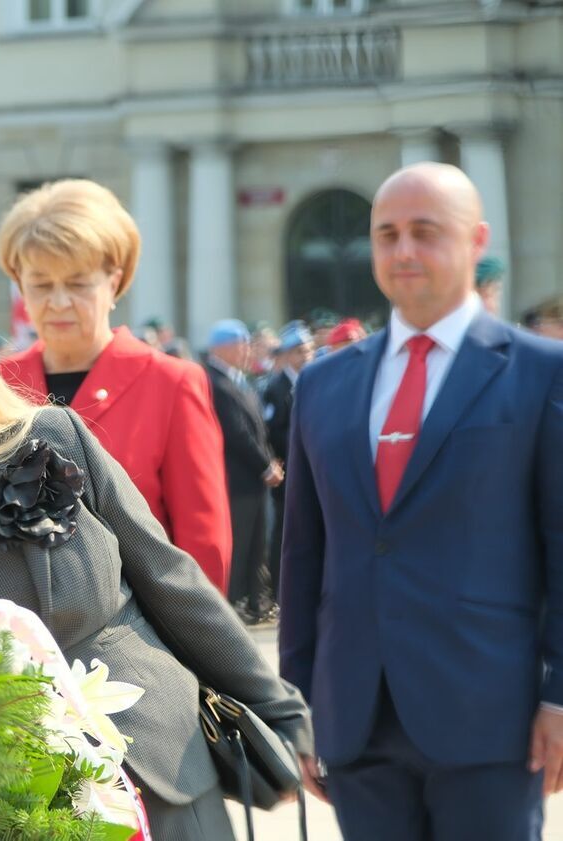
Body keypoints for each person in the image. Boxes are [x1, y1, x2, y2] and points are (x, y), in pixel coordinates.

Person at [0, 269, 311, 839]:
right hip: (3, 813)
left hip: (162, 773)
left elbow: (170, 580)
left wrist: (279, 712)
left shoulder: (55, 439)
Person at [279, 162, 563, 841]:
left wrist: (559, 693)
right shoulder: (322, 384)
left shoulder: (540, 372)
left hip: (492, 718)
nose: (403, 250)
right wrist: (294, 703)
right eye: (387, 233)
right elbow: (302, 555)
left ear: (475, 240)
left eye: (425, 231)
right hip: (355, 717)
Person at [0, 179, 232, 591]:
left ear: (114, 281)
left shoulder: (171, 384)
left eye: (78, 282)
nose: (59, 301)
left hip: (136, 641)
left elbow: (203, 546)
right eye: (41, 284)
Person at [203, 321, 283, 624]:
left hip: (253, 479)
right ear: (222, 347)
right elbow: (237, 433)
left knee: (255, 543)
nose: (247, 351)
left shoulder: (237, 380)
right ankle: (233, 600)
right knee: (238, 543)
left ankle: (254, 601)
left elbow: (257, 429)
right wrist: (265, 466)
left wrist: (270, 462)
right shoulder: (214, 381)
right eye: (242, 344)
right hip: (236, 479)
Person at [261, 320, 314, 611]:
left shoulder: (313, 379)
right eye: (301, 351)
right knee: (284, 532)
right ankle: (281, 592)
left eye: (309, 349)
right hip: (288, 470)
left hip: (311, 469)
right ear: (290, 354)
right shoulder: (277, 387)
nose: (307, 355)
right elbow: (271, 430)